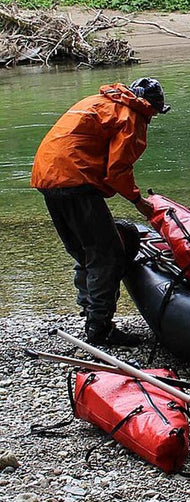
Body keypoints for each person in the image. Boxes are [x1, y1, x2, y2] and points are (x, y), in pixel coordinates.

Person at [30, 78, 170, 346]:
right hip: (74, 180)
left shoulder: (99, 102)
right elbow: (117, 170)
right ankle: (100, 328)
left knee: (84, 251)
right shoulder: (131, 118)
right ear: (151, 107)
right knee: (107, 254)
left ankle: (89, 311)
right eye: (155, 112)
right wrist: (139, 201)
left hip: (47, 178)